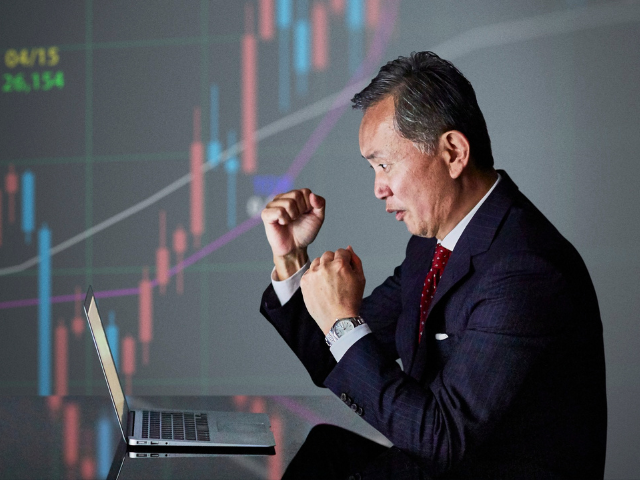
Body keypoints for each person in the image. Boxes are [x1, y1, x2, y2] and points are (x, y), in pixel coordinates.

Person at [259, 51, 607, 479]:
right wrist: (292, 258)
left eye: (384, 165)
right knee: (324, 453)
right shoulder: (432, 248)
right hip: (432, 467)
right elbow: (335, 357)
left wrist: (342, 322)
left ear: (454, 152)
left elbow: (444, 439)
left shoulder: (526, 270)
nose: (377, 188)